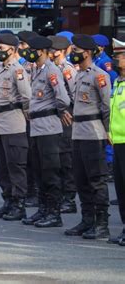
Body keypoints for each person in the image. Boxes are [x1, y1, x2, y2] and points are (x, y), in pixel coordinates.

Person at [20, 36, 70, 228]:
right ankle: (43, 209)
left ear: (41, 51)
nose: (28, 53)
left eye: (31, 50)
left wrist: (54, 110)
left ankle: (54, 213)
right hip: (37, 128)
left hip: (49, 127)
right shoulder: (36, 70)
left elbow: (63, 99)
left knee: (50, 172)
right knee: (39, 171)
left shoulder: (51, 70)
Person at [65, 34, 111, 240]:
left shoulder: (99, 75)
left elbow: (106, 107)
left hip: (93, 132)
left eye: (76, 51)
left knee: (96, 179)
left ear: (88, 52)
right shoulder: (78, 75)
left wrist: (108, 131)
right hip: (78, 132)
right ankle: (87, 220)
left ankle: (102, 224)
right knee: (81, 178)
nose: (73, 54)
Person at [0, 33, 31, 221]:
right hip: (0, 123)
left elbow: (26, 96)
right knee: (2, 168)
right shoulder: (0, 69)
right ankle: (8, 201)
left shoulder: (17, 70)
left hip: (14, 123)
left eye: (1, 49)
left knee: (16, 167)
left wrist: (26, 115)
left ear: (12, 50)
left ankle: (19, 204)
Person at [49, 35, 78, 214]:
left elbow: (74, 94)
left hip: (67, 116)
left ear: (62, 51)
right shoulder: (53, 68)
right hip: (55, 117)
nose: (51, 53)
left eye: (54, 51)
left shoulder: (67, 69)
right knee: (56, 159)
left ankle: (69, 198)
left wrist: (70, 112)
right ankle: (59, 195)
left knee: (66, 159)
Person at [17, 30, 40, 208]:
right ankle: (30, 191)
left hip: (35, 114)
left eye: (23, 45)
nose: (21, 48)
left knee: (35, 157)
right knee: (26, 156)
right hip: (25, 115)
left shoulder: (36, 65)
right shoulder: (23, 63)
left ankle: (36, 193)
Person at [93, 34, 118, 182]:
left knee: (108, 134)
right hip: (97, 102)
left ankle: (109, 164)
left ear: (101, 47)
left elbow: (112, 79)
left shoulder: (106, 62)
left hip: (107, 100)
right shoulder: (97, 59)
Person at [108, 37, 125, 246]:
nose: (116, 60)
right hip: (118, 141)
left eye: (120, 56)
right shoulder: (117, 81)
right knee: (121, 189)